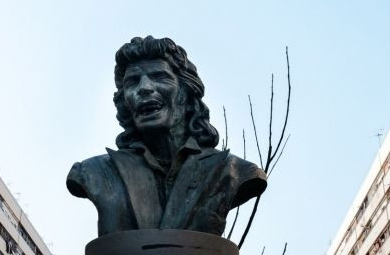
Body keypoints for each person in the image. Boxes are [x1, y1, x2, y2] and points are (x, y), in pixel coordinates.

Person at [67, 36, 266, 237]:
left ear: (186, 94)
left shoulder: (231, 170)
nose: (144, 87)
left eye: (159, 77)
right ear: (124, 102)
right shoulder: (94, 172)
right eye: (132, 82)